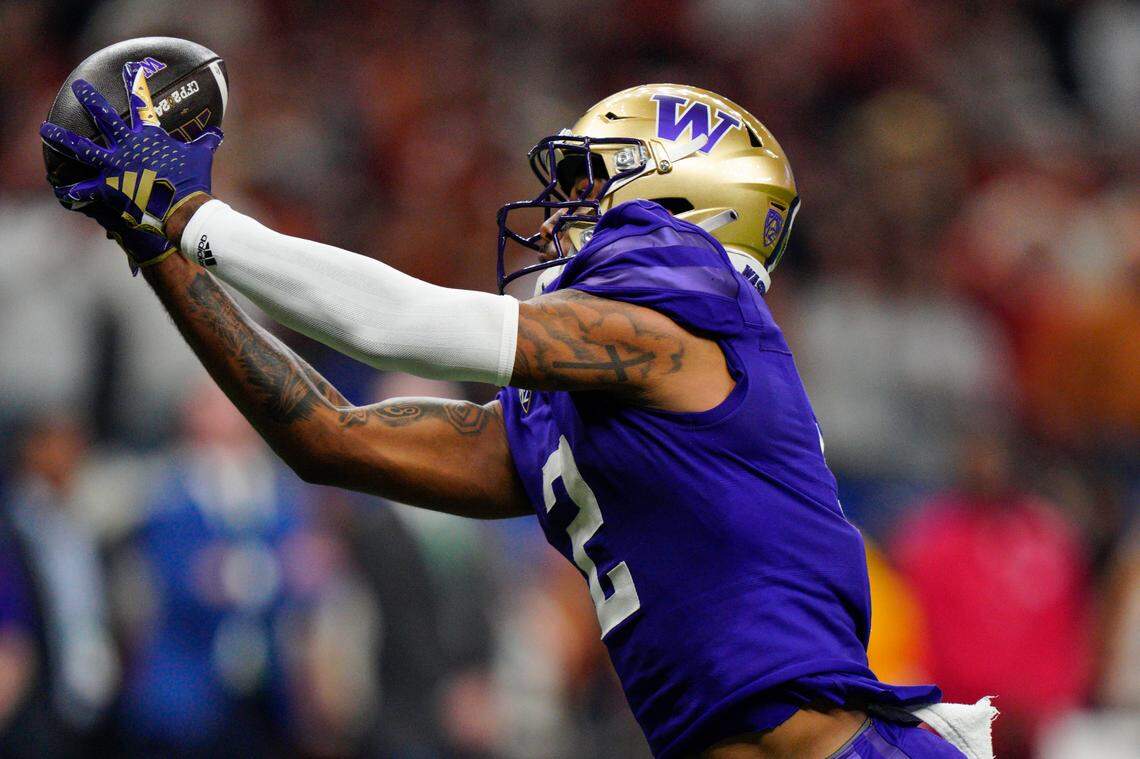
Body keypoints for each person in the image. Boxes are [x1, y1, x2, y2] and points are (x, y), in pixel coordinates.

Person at [40, 64, 994, 758]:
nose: (559, 217)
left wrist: (195, 217)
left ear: (688, 206)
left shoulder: (693, 319)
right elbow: (327, 436)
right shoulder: (590, 412)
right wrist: (152, 244)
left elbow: (401, 321)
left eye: (591, 189)